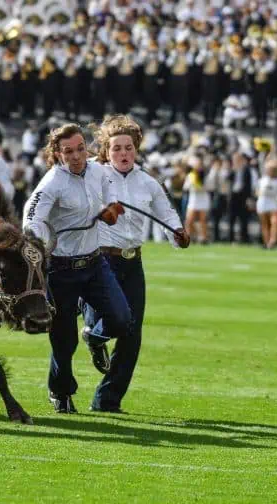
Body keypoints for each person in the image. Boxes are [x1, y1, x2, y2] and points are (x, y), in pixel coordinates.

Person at [81, 115, 189, 413]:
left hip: (133, 262)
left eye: (128, 147)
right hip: (101, 259)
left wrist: (177, 234)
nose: (123, 153)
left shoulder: (148, 182)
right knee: (118, 318)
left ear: (136, 149)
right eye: (116, 148)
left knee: (132, 335)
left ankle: (107, 401)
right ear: (106, 150)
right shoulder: (94, 175)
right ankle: (94, 332)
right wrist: (101, 211)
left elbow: (167, 215)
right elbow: (80, 203)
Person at [22, 122, 132, 414]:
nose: (76, 156)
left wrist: (110, 209)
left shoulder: (98, 170)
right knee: (63, 341)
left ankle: (95, 337)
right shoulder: (50, 184)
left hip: (95, 263)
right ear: (57, 154)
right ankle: (60, 392)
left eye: (81, 148)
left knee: (122, 319)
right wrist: (46, 243)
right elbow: (30, 222)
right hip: (60, 269)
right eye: (68, 151)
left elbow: (109, 194)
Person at [255, 158, 277, 249]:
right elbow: (257, 191)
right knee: (264, 223)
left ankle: (273, 240)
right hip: (263, 201)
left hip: (274, 201)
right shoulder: (262, 180)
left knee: (275, 222)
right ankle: (267, 242)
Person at [183, 155, 210, 244]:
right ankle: (189, 237)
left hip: (203, 198)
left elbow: (208, 187)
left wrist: (199, 187)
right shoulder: (191, 175)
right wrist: (192, 186)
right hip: (194, 198)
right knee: (189, 220)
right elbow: (186, 187)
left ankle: (204, 238)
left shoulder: (205, 175)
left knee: (202, 220)